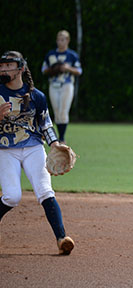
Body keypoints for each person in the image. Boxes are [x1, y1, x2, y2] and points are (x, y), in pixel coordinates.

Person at [0, 50, 75, 255]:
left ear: (21, 69)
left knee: (45, 192)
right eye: (2, 65)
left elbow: (46, 124)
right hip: (6, 150)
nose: (3, 69)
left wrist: (55, 144)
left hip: (33, 147)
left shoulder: (36, 96)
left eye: (8, 65)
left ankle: (62, 239)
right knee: (12, 197)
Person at [42, 30, 82, 143]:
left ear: (68, 40)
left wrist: (67, 68)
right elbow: (44, 69)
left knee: (63, 111)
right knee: (56, 112)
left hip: (67, 84)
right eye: (59, 39)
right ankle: (59, 138)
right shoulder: (51, 54)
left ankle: (62, 138)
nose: (60, 42)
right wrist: (53, 70)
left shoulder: (72, 55)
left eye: (63, 39)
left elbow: (79, 70)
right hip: (54, 85)